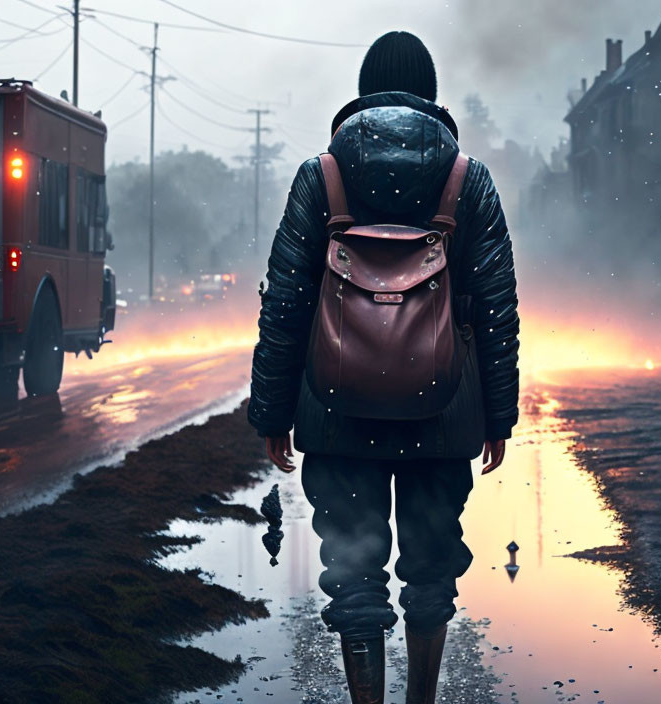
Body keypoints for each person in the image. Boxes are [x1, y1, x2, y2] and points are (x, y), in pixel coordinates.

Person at [248, 30, 520, 704]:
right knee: (431, 569)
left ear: (364, 91)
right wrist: (498, 413)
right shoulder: (468, 179)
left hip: (336, 408)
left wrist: (272, 410)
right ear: (429, 95)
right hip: (444, 406)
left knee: (353, 570)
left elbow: (285, 303)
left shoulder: (323, 176)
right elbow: (494, 310)